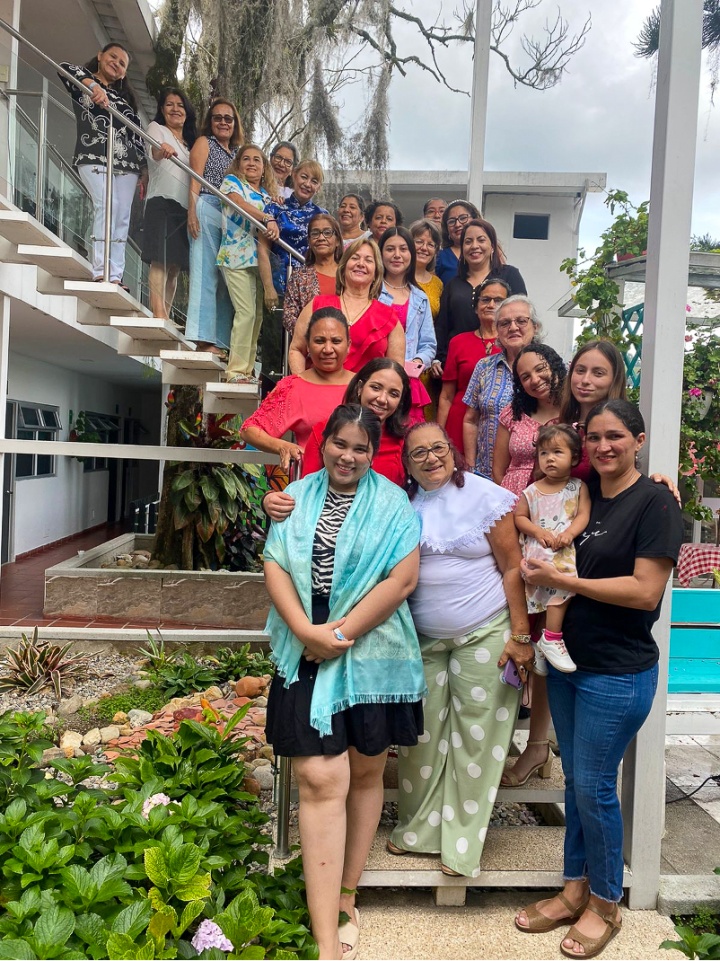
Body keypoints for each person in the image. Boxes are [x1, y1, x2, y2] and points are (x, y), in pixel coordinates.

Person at [516, 400, 683, 960]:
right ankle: (572, 889)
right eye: (594, 438)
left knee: (593, 785)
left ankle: (607, 902)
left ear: (638, 440)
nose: (603, 446)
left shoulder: (655, 502)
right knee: (576, 784)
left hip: (618, 669)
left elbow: (644, 592)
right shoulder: (583, 492)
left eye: (616, 437)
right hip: (567, 663)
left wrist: (573, 583)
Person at [264, 404, 426, 961]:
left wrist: (340, 633)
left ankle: (347, 896)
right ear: (324, 442)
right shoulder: (295, 498)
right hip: (305, 651)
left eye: (360, 447)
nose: (348, 456)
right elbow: (276, 561)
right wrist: (308, 631)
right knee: (318, 778)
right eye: (340, 443)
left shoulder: (393, 502)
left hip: (372, 655)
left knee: (364, 772)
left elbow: (402, 579)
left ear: (373, 452)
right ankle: (325, 939)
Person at [387, 422, 534, 877]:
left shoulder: (485, 497)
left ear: (453, 450)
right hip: (423, 640)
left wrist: (521, 635)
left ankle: (462, 845)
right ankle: (418, 832)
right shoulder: (403, 505)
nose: (431, 458)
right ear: (408, 465)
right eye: (419, 454)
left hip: (485, 632)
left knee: (477, 738)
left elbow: (513, 568)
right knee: (422, 739)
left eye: (438, 448)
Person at [263, 360, 412, 528]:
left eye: (393, 394)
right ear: (360, 387)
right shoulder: (325, 431)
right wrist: (269, 500)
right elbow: (306, 494)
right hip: (326, 531)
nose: (382, 399)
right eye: (376, 387)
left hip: (383, 534)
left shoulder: (406, 440)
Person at [60, 43, 145, 286]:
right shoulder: (82, 82)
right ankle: (100, 269)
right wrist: (94, 87)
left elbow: (136, 136)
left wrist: (145, 170)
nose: (116, 63)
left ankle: (116, 274)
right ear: (100, 56)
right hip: (92, 155)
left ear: (124, 73)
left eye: (122, 63)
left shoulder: (125, 101)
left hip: (128, 164)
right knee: (107, 204)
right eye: (113, 57)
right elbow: (65, 68)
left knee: (122, 217)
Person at [514, 424, 590, 674]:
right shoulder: (531, 491)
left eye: (557, 452)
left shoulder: (577, 487)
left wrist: (569, 533)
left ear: (574, 458)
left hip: (563, 549)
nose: (550, 459)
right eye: (544, 453)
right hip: (539, 550)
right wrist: (538, 532)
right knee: (555, 593)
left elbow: (583, 515)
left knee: (559, 593)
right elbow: (520, 518)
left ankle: (542, 641)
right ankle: (552, 638)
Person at [240, 307, 354, 470]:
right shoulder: (293, 387)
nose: (328, 349)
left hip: (361, 486)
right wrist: (284, 446)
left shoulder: (364, 385)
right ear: (307, 345)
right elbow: (249, 430)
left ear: (348, 345)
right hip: (309, 485)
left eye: (336, 341)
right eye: (319, 341)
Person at [288, 238, 405, 375]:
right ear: (343, 268)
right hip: (319, 391)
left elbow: (395, 372)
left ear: (376, 274)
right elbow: (296, 349)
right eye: (355, 258)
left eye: (368, 260)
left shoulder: (389, 318)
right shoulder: (317, 305)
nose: (361, 264)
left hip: (365, 395)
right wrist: (301, 386)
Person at [216, 144, 279, 383]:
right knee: (245, 313)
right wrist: (267, 216)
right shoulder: (233, 182)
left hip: (259, 261)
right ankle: (235, 371)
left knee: (257, 317)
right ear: (239, 163)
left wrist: (273, 209)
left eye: (257, 160)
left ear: (264, 168)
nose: (251, 163)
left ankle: (247, 370)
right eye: (246, 159)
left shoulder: (266, 195)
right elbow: (238, 204)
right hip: (235, 255)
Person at [186, 98, 244, 356]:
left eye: (228, 118)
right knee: (204, 273)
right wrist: (192, 211)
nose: (223, 122)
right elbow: (195, 179)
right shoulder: (204, 143)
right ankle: (201, 337)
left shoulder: (237, 153)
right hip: (207, 204)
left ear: (235, 124)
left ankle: (220, 340)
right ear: (210, 122)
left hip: (229, 217)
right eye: (217, 117)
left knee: (225, 281)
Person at [462, 295, 540, 478]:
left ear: (535, 327)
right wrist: (471, 468)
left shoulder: (549, 367)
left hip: (535, 479)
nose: (513, 327)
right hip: (486, 475)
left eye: (521, 321)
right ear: (497, 330)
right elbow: (470, 420)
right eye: (504, 323)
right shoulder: (484, 367)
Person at [436, 218, 527, 366]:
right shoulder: (454, 284)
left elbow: (522, 317)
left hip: (501, 358)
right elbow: (442, 326)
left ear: (492, 246)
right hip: (459, 362)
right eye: (468, 241)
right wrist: (439, 359)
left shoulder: (509, 275)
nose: (474, 246)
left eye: (481, 240)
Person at [437, 277, 511, 452]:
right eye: (485, 299)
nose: (491, 304)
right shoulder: (458, 342)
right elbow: (446, 396)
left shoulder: (512, 343)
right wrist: (438, 435)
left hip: (498, 423)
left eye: (498, 300)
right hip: (459, 421)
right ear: (476, 307)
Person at [142, 88, 197, 318]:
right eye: (169, 104)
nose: (175, 109)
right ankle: (158, 313)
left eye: (180, 105)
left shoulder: (191, 143)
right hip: (161, 201)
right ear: (162, 110)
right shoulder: (158, 129)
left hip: (184, 208)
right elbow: (153, 151)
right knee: (160, 259)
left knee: (174, 267)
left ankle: (166, 310)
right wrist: (160, 149)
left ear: (187, 112)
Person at [492, 342, 567, 495]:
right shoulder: (513, 414)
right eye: (525, 377)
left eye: (540, 369)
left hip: (561, 503)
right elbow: (498, 472)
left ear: (555, 366)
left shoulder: (575, 411)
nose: (535, 379)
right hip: (514, 500)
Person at [378, 227, 436, 424]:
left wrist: (417, 362)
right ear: (380, 253)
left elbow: (429, 344)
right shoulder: (371, 291)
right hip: (375, 379)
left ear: (411, 253)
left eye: (403, 249)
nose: (397, 255)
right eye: (390, 249)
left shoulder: (420, 297)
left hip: (409, 382)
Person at [559, 340, 628, 480]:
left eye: (598, 373)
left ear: (614, 380)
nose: (585, 380)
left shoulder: (624, 431)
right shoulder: (556, 428)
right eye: (580, 370)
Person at [262, 160, 328, 299]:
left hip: (310, 285)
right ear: (294, 175)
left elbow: (328, 255)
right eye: (304, 177)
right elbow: (263, 249)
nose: (307, 184)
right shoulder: (274, 208)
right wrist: (268, 288)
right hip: (278, 281)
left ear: (319, 187)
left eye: (314, 181)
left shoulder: (322, 215)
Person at [282, 214, 343, 333]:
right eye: (315, 233)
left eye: (327, 232)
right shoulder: (299, 276)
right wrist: (313, 335)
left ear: (337, 241)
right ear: (309, 241)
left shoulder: (347, 274)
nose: (321, 238)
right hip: (310, 345)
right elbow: (289, 315)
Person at [435, 200, 480, 284]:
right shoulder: (440, 257)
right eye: (452, 221)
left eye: (463, 218)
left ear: (475, 219)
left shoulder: (489, 252)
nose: (457, 224)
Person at [410, 219, 444, 320]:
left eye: (430, 244)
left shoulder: (438, 284)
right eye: (419, 242)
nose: (424, 248)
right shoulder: (396, 276)